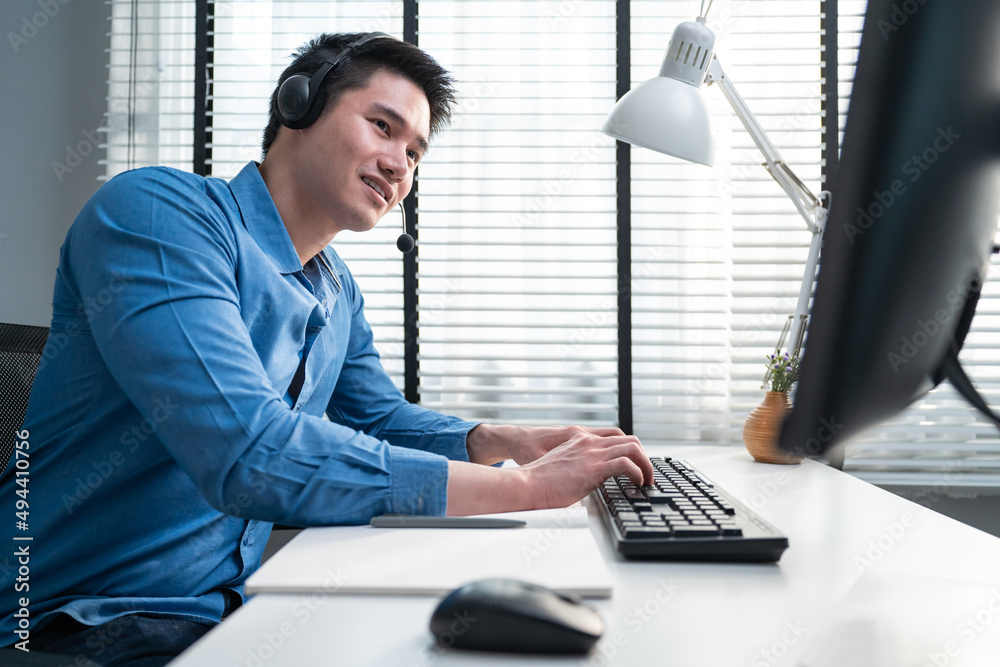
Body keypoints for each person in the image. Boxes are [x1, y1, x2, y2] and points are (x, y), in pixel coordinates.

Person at [0, 32, 652, 665]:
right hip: (71, 625)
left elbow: (381, 420)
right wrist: (530, 489)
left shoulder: (336, 289)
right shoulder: (157, 215)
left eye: (417, 152)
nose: (401, 163)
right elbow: (249, 452)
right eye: (382, 126)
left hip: (217, 618)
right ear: (298, 105)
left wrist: (504, 440)